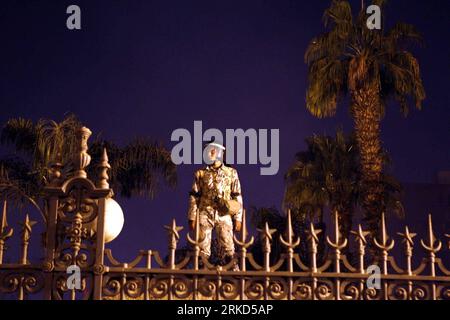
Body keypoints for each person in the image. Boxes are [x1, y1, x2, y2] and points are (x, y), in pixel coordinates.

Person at [187, 141, 243, 268]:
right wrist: (192, 216)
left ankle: (234, 274)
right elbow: (194, 195)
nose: (211, 153)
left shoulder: (231, 172)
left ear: (221, 153)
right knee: (202, 247)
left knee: (228, 247)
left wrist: (238, 218)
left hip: (224, 213)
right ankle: (201, 275)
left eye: (214, 150)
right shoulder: (200, 173)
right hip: (205, 212)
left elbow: (237, 195)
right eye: (209, 150)